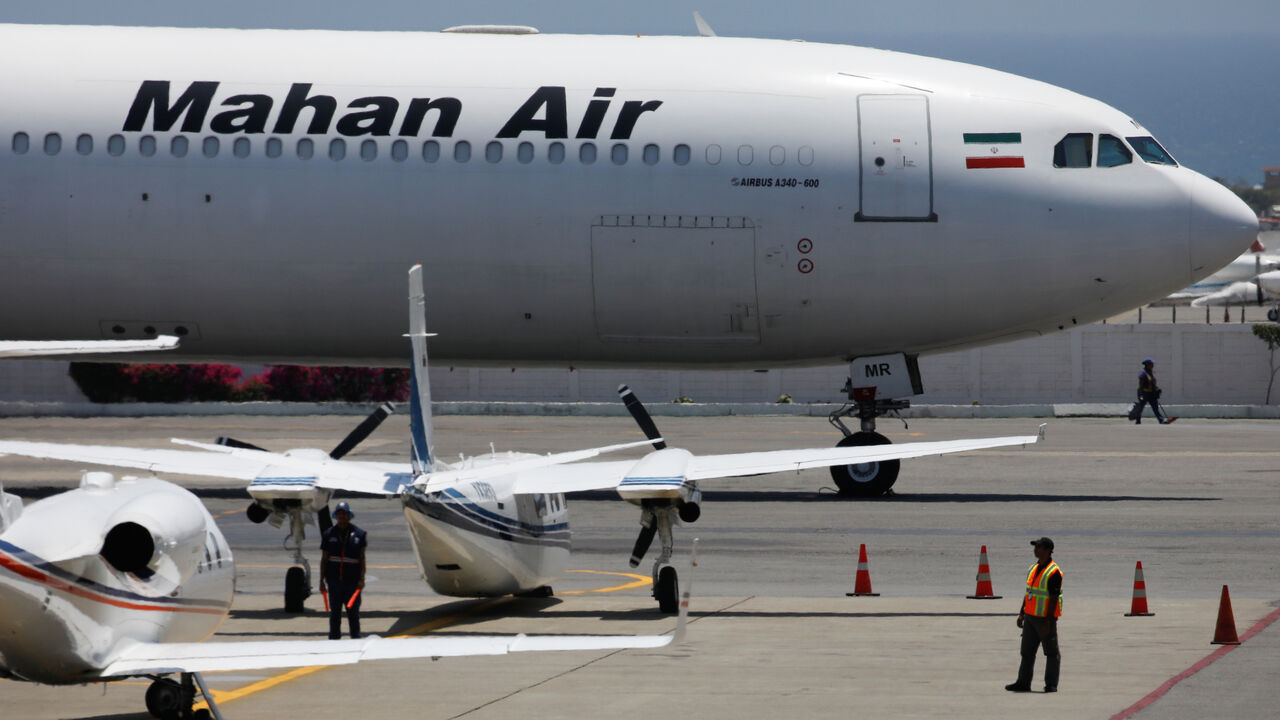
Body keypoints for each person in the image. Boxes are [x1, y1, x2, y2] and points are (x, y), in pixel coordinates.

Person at [1006, 537, 1063, 693]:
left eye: (1038, 547)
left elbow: (1053, 599)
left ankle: (1051, 684)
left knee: (1051, 652)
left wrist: (1049, 621)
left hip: (1045, 619)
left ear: (1047, 550)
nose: (1035, 550)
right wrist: (1021, 614)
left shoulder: (1054, 572)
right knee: (1026, 652)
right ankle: (1023, 682)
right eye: (1035, 547)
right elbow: (1028, 593)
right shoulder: (1033, 568)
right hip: (1030, 617)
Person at [319, 501, 366, 639]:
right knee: (335, 615)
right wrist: (321, 580)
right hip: (334, 582)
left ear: (349, 515)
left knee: (353, 615)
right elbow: (324, 559)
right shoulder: (328, 534)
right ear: (336, 516)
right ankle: (334, 641)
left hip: (352, 583)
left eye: (344, 514)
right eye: (339, 514)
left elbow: (362, 559)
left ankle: (356, 640)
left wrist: (362, 580)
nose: (342, 517)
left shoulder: (359, 534)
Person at [1133, 359, 1177, 425]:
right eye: (1151, 364)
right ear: (1147, 365)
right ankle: (1138, 420)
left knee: (1155, 406)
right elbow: (1141, 384)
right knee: (1141, 407)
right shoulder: (1143, 373)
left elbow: (1152, 382)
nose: (1153, 365)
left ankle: (1161, 420)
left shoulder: (1151, 372)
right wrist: (1141, 394)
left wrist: (1156, 389)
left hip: (1151, 393)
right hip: (1144, 392)